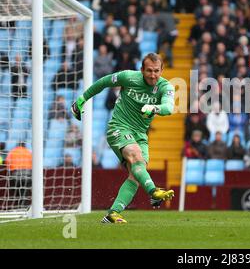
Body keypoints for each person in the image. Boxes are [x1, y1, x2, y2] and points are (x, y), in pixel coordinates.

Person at [71, 53, 175, 224]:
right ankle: (153, 191)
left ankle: (113, 213)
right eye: (149, 70)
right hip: (119, 127)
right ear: (142, 70)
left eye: (157, 71)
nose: (153, 75)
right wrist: (82, 99)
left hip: (140, 135)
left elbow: (169, 107)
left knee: (136, 173)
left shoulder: (166, 86)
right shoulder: (129, 77)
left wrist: (154, 107)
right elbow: (104, 82)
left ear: (162, 70)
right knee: (135, 155)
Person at [5, 142, 32, 209]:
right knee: (25, 191)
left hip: (16, 174)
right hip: (27, 174)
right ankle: (24, 206)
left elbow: (7, 162)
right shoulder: (28, 152)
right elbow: (33, 162)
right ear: (24, 145)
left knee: (16, 192)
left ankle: (18, 206)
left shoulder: (13, 151)